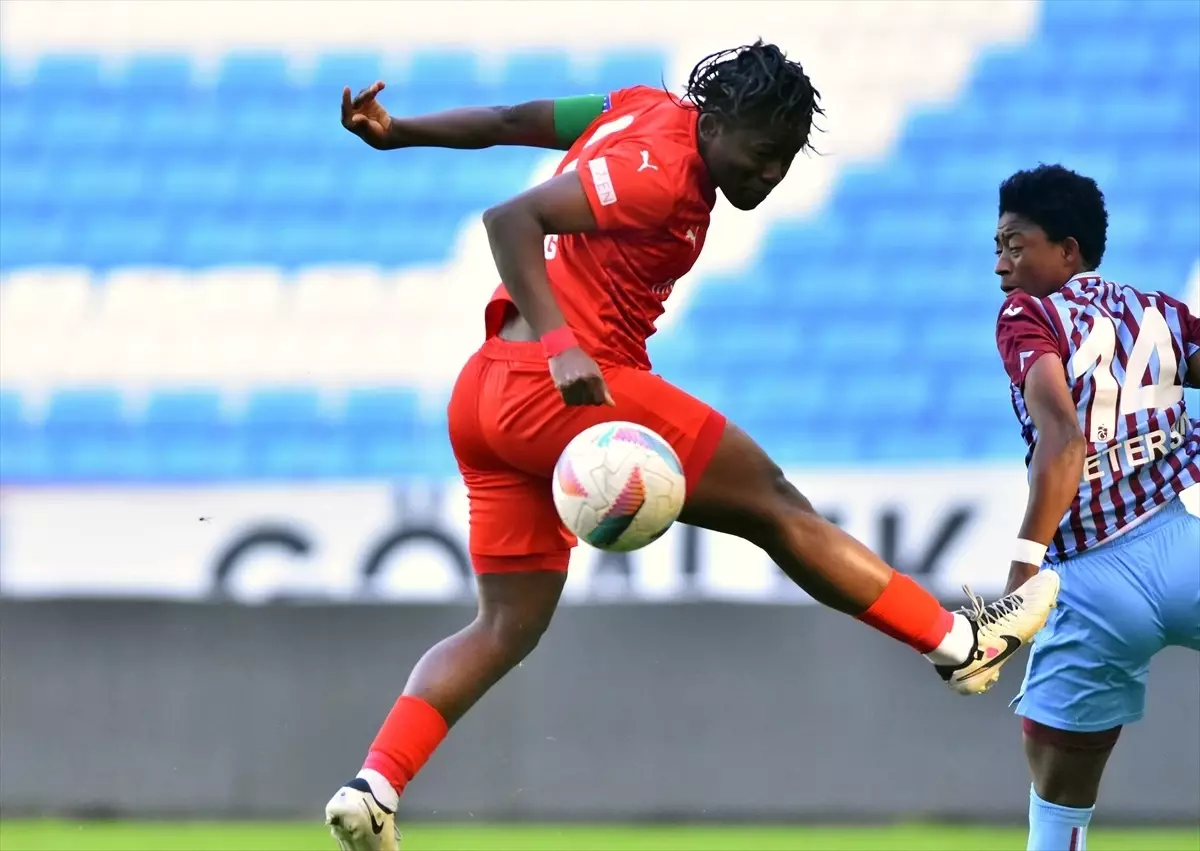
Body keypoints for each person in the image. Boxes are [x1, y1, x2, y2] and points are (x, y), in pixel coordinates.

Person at [324, 42, 1060, 851]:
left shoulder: (631, 105)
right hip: (564, 384)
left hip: (485, 397)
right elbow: (511, 219)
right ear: (714, 124)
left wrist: (401, 132)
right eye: (758, 153)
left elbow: (511, 120)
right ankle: (958, 642)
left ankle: (375, 786)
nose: (766, 176)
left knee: (505, 624)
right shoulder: (660, 170)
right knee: (775, 503)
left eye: (781, 163)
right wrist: (566, 346)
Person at [992, 164, 1200, 851]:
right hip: (1185, 537)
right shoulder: (1158, 312)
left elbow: (1063, 437)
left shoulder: (1030, 314)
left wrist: (1020, 581)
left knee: (1057, 797)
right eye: (998, 249)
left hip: (1090, 580)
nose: (1001, 267)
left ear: (1068, 251)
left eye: (1015, 245)